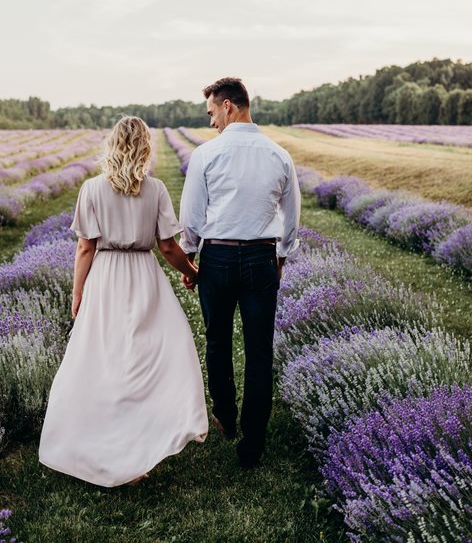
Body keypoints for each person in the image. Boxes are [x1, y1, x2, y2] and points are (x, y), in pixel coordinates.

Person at [38, 116, 208, 487]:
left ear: (112, 145)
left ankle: (107, 440)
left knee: (105, 357)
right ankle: (142, 440)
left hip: (105, 276)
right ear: (145, 146)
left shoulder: (93, 189)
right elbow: (166, 246)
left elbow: (85, 247)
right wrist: (192, 270)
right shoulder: (156, 189)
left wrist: (77, 291)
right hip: (143, 276)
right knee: (148, 356)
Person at [179, 77, 300, 469]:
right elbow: (292, 216)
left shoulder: (205, 155)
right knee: (259, 350)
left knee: (217, 341)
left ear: (229, 106)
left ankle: (226, 416)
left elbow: (192, 217)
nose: (212, 121)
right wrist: (280, 255)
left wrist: (190, 257)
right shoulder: (279, 154)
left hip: (217, 259)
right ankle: (253, 439)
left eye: (212, 112)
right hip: (262, 258)